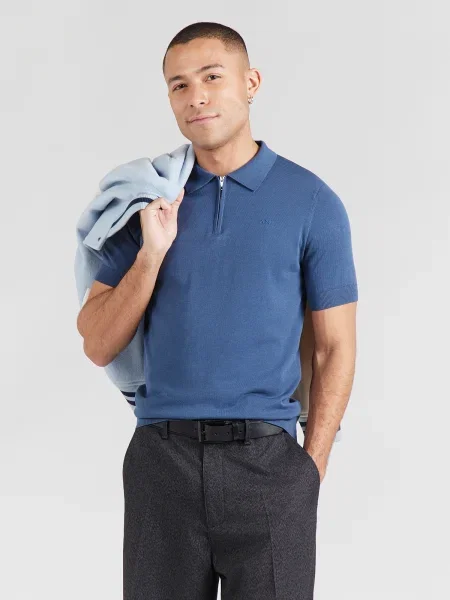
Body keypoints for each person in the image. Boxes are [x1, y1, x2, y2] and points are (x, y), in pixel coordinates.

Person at [77, 21, 358, 600]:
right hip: (162, 464)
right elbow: (97, 342)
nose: (196, 97)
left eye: (211, 77)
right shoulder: (152, 201)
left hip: (269, 465)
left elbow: (336, 347)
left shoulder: (312, 202)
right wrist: (152, 254)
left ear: (250, 83)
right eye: (179, 85)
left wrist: (310, 469)